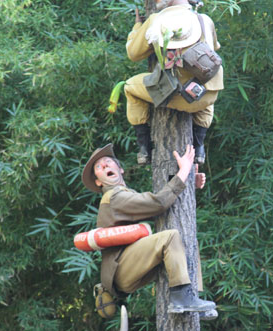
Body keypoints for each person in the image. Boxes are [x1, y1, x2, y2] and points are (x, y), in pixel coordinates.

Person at [81, 143, 216, 315]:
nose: (105, 165)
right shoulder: (114, 198)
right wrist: (183, 172)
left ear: (120, 169)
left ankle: (192, 299)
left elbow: (163, 210)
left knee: (187, 240)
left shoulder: (126, 194)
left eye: (108, 161)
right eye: (99, 167)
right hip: (121, 269)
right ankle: (181, 298)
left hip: (130, 266)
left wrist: (189, 185)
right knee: (169, 237)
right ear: (98, 181)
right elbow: (159, 203)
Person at [124, 0, 224, 165]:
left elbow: (133, 54)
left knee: (129, 87)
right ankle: (199, 147)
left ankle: (144, 147)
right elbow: (215, 47)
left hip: (178, 95)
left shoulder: (156, 20)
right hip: (207, 95)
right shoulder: (204, 19)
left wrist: (137, 27)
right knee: (205, 79)